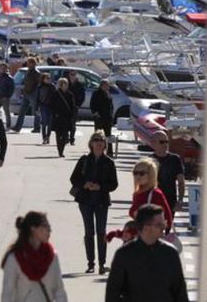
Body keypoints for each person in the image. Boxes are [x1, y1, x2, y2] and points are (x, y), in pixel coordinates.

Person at [69, 131, 118, 274]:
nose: (98, 143)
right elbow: (74, 178)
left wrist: (100, 187)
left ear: (104, 144)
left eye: (101, 140)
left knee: (101, 232)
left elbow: (114, 184)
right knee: (89, 232)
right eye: (96, 140)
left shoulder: (109, 163)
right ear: (91, 144)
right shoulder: (84, 160)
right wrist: (85, 184)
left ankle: (102, 264)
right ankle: (91, 263)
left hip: (101, 201)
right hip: (85, 201)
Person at [129, 158, 173, 233]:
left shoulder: (156, 194)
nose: (138, 176)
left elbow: (168, 220)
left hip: (151, 237)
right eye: (135, 173)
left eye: (142, 173)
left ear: (151, 175)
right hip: (139, 236)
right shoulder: (137, 193)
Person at [150, 131, 186, 214]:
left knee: (167, 226)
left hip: (170, 201)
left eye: (167, 141)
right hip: (152, 201)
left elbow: (181, 182)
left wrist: (180, 201)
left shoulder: (175, 159)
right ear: (153, 143)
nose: (165, 144)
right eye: (162, 142)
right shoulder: (149, 160)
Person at [12, 57, 40, 133]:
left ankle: (37, 127)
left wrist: (34, 92)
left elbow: (38, 84)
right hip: (26, 93)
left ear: (33, 64)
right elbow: (26, 82)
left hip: (33, 94)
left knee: (35, 112)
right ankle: (17, 127)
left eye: (29, 63)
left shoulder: (36, 73)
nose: (27, 64)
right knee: (22, 111)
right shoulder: (28, 71)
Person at [50, 78, 75, 157]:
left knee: (64, 135)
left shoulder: (70, 94)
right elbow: (52, 105)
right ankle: (59, 151)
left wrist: (73, 114)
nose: (66, 86)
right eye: (64, 84)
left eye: (66, 84)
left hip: (67, 117)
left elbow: (72, 106)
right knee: (58, 134)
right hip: (58, 117)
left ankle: (62, 149)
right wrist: (55, 114)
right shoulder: (55, 94)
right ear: (60, 85)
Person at [90, 80, 115, 156]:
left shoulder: (108, 94)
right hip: (99, 118)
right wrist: (95, 113)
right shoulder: (96, 93)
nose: (108, 87)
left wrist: (111, 114)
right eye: (106, 85)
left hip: (107, 118)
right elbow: (92, 104)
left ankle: (110, 151)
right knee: (97, 136)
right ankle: (94, 150)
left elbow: (111, 105)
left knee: (108, 135)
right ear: (102, 85)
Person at [66, 70, 86, 146]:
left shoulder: (79, 85)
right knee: (65, 123)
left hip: (74, 107)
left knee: (73, 124)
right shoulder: (66, 84)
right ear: (69, 75)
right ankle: (66, 138)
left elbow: (82, 96)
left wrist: (78, 105)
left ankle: (72, 139)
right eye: (71, 74)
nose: (72, 76)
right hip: (66, 106)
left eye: (74, 74)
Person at [0, 63, 14, 129]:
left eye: (3, 68)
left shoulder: (9, 78)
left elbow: (12, 89)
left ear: (6, 69)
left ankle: (8, 125)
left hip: (5, 98)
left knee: (7, 112)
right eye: (1, 68)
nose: (2, 69)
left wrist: (7, 96)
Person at [37, 73, 56, 145]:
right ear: (43, 79)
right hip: (43, 106)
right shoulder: (40, 87)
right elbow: (37, 98)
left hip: (51, 107)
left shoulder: (52, 87)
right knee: (44, 122)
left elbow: (55, 97)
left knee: (50, 123)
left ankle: (48, 136)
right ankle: (44, 137)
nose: (48, 79)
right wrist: (37, 108)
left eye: (49, 78)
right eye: (46, 78)